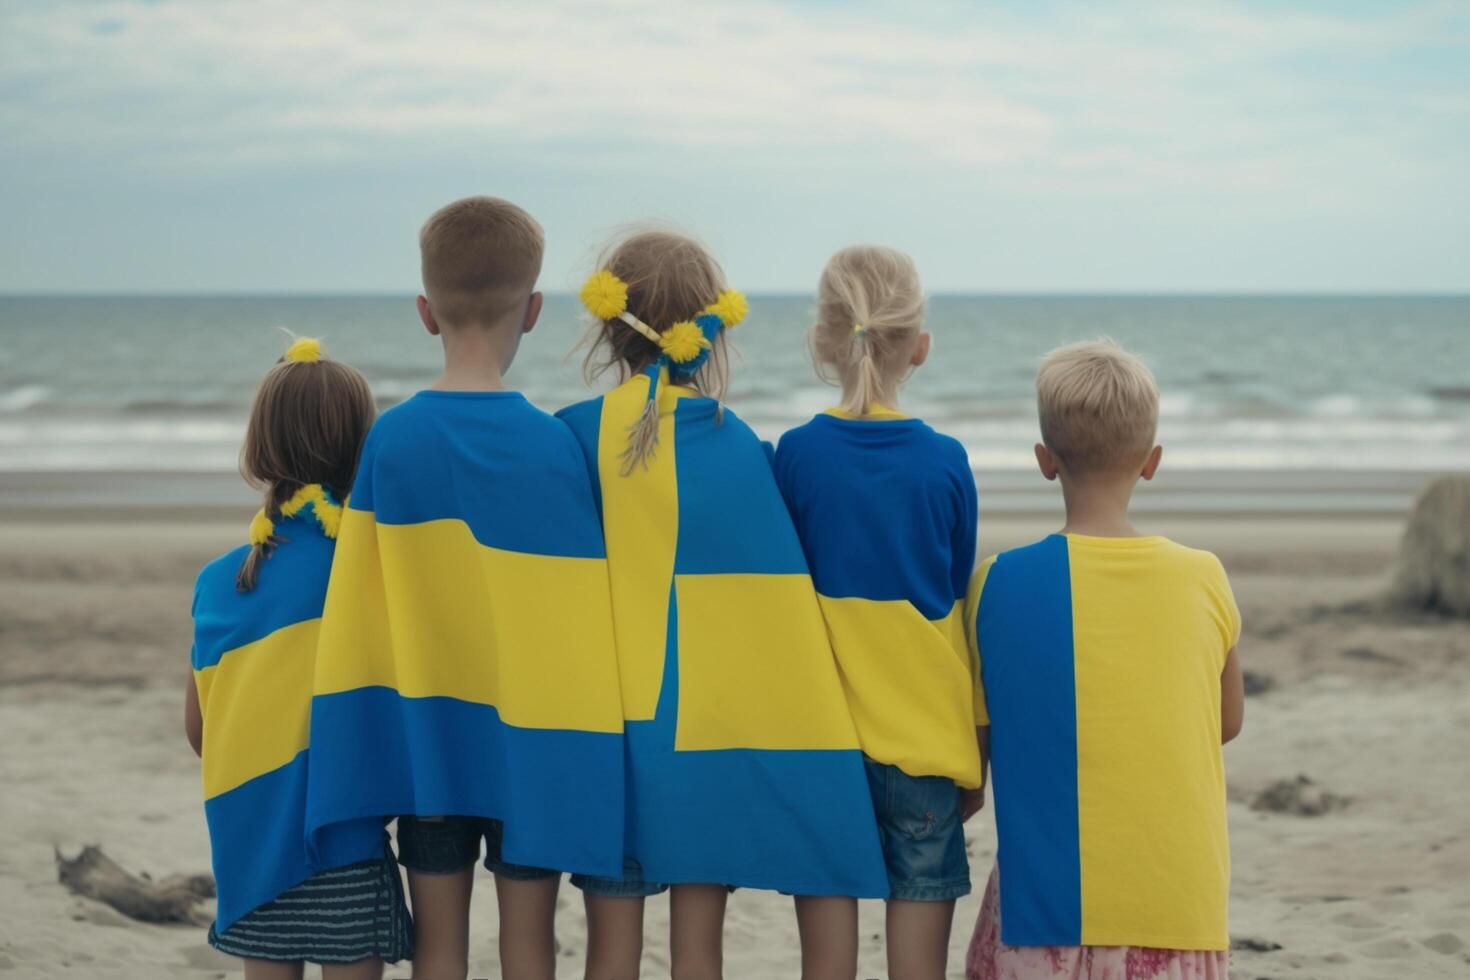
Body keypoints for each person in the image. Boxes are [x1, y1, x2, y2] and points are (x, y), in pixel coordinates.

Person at [305, 197, 625, 980]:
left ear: (424, 312)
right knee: (531, 946)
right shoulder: (554, 446)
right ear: (536, 311)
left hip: (431, 746)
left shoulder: (393, 441)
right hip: (535, 743)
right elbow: (577, 613)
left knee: (439, 950)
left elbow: (361, 606)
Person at [556, 228, 888, 980]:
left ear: (609, 328)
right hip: (712, 736)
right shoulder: (737, 445)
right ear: (710, 335)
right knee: (697, 943)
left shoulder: (572, 439)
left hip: (609, 736)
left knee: (610, 949)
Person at [964, 339, 1244, 980]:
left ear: (1044, 461)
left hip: (1044, 913)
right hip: (1178, 911)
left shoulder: (996, 582)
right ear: (1152, 463)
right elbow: (1223, 724)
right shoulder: (1205, 577)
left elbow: (979, 740)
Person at [773, 245, 985, 980]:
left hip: (823, 735)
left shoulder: (794, 456)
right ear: (919, 346)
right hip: (923, 736)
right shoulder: (946, 461)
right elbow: (952, 599)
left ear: (825, 341)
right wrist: (975, 752)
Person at [186, 336, 411, 979]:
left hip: (250, 849)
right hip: (343, 843)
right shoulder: (369, 573)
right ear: (360, 447)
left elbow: (202, 732)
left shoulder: (219, 581)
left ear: (261, 448)